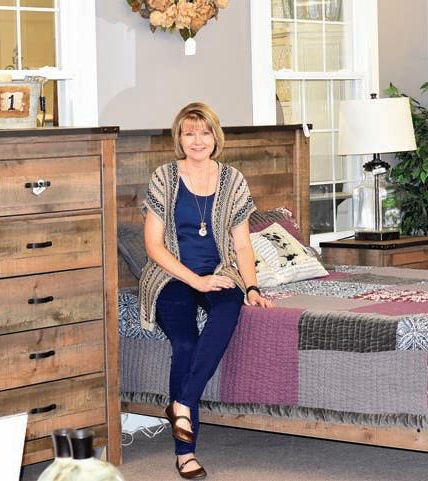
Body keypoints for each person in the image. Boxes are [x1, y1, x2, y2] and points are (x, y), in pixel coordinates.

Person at [139, 102, 272, 479]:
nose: (197, 140)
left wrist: (251, 287)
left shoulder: (233, 179)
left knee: (228, 309)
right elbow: (153, 246)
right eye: (189, 133)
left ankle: (181, 404)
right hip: (171, 276)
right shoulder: (164, 177)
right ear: (179, 138)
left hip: (220, 271)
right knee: (185, 343)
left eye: (205, 132)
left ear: (216, 137)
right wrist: (196, 281)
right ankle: (186, 453)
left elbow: (242, 245)